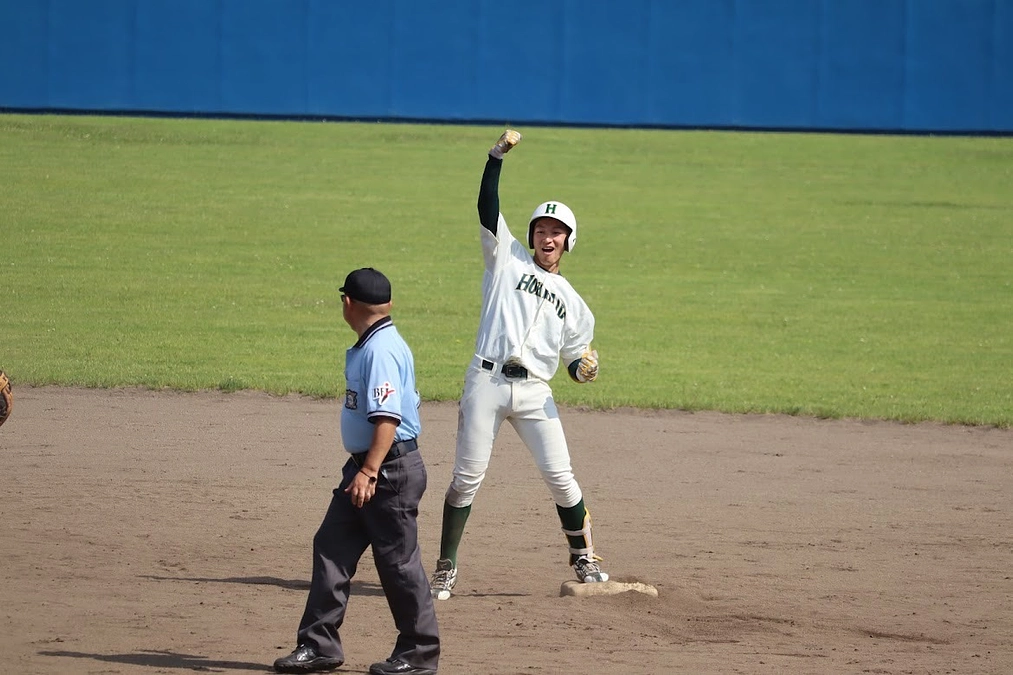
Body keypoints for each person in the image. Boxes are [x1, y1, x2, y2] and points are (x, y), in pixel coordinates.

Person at [428, 130, 608, 601]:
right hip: (486, 380)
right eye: (541, 230)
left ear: (569, 242)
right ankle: (446, 567)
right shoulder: (505, 258)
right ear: (530, 236)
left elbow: (574, 359)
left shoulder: (575, 303)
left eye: (556, 232)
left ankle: (584, 558)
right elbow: (489, 208)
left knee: (562, 477)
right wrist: (495, 159)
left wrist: (582, 370)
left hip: (535, 392)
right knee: (467, 477)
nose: (547, 237)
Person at [274, 268, 440, 675]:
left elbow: (388, 418)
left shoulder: (381, 350)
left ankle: (419, 654)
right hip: (370, 469)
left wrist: (368, 471)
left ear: (348, 303)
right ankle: (319, 645)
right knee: (332, 544)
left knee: (399, 563)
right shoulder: (376, 343)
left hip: (386, 472)